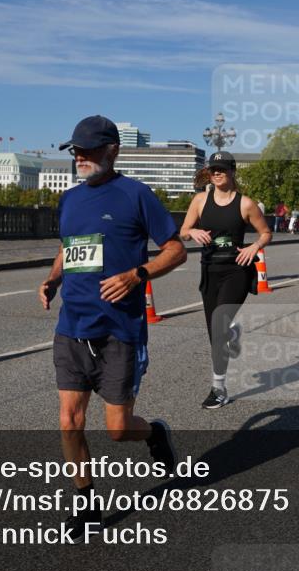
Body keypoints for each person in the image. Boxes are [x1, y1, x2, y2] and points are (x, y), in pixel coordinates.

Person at [39, 115, 186, 540]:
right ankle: (86, 507)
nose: (80, 157)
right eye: (76, 151)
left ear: (112, 150)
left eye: (88, 150)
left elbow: (176, 251)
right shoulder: (69, 200)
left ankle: (155, 433)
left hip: (120, 328)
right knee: (70, 421)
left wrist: (137, 274)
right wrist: (53, 279)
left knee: (118, 430)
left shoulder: (136, 195)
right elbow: (68, 248)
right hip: (73, 326)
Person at [181, 150, 272, 409]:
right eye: (213, 169)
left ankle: (218, 389)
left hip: (236, 271)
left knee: (219, 323)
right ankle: (232, 333)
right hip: (209, 270)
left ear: (232, 172)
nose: (217, 173)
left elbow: (265, 232)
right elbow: (183, 231)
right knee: (215, 334)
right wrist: (193, 231)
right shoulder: (200, 201)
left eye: (222, 169)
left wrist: (254, 248)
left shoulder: (245, 204)